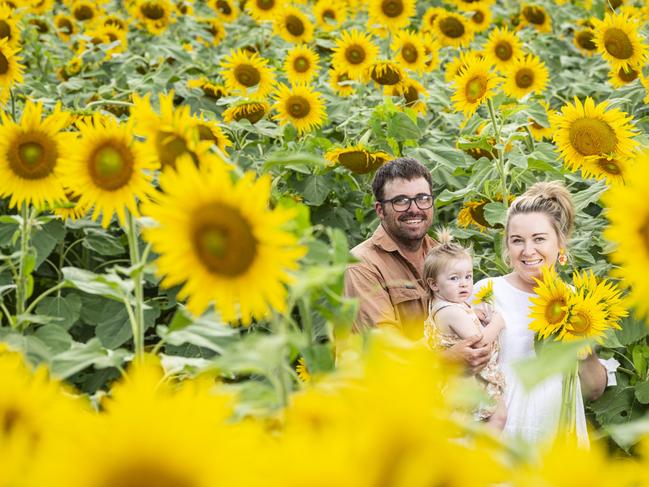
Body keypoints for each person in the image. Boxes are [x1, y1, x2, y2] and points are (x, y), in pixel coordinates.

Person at [472, 181, 612, 445]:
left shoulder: (577, 302)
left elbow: (592, 390)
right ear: (507, 247)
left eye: (539, 239)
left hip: (557, 439)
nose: (527, 251)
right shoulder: (488, 292)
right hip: (502, 440)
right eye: (517, 241)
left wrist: (584, 347)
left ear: (560, 243)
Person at [344, 157, 491, 371]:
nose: (414, 209)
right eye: (401, 201)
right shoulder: (362, 264)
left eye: (422, 198)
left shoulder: (442, 254)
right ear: (379, 210)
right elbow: (384, 352)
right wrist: (446, 359)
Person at [423, 228, 506, 429]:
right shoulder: (452, 311)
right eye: (454, 278)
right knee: (498, 416)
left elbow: (461, 321)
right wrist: (498, 322)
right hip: (469, 380)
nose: (464, 284)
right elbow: (479, 340)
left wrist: (473, 313)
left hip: (456, 382)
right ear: (433, 284)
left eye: (468, 276)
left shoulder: (445, 305)